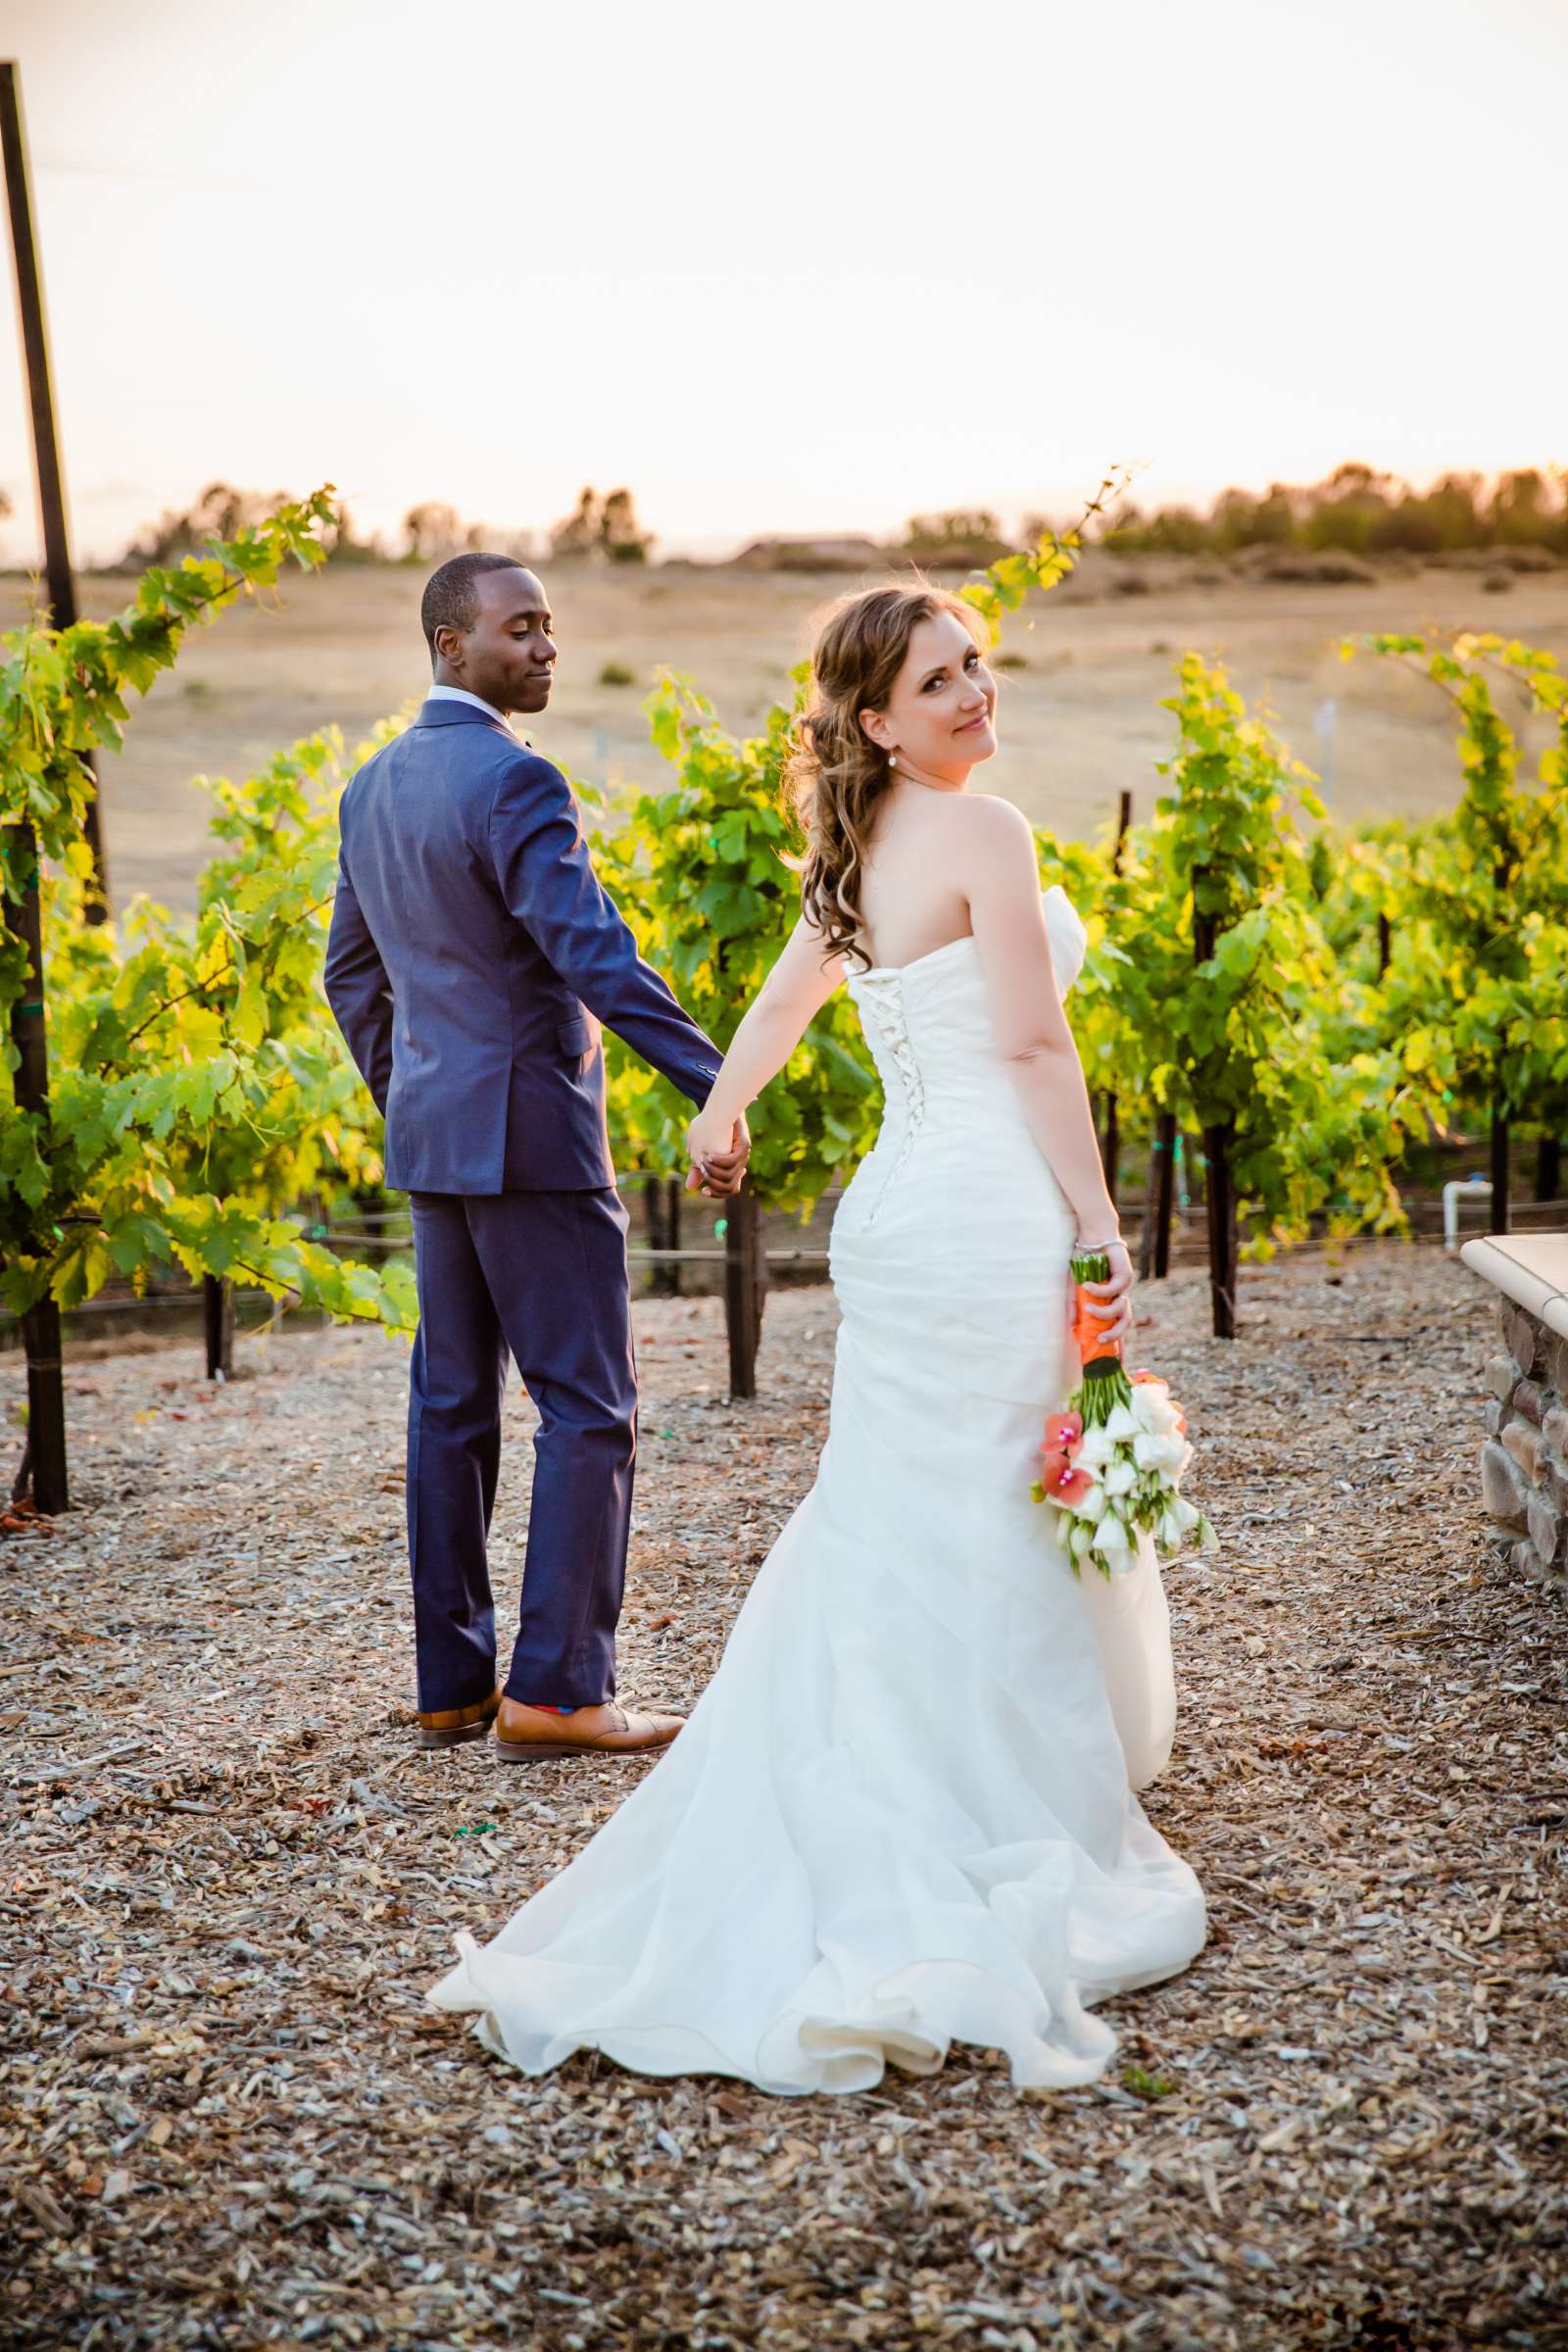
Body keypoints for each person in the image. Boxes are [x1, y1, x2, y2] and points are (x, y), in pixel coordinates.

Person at [428, 580, 1205, 2093]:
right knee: (987, 1502)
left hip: (895, 1220)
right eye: (938, 682)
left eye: (975, 666)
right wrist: (1102, 1227)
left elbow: (781, 1009)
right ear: (875, 721)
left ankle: (876, 1766)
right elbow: (1038, 1046)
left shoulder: (857, 851)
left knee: (904, 1504)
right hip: (986, 1210)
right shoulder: (988, 835)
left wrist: (722, 1114)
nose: (977, 692)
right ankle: (985, 1793)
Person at [324, 555, 749, 1765]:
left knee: (449, 1410)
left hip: (437, 1142)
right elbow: (595, 956)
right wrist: (721, 1088)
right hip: (534, 1140)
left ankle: (451, 1687)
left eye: (552, 626)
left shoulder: (371, 789)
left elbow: (350, 975)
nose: (547, 647)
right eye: (521, 629)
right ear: (451, 648)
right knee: (590, 1406)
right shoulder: (516, 784)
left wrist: (416, 1099)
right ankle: (559, 1692)